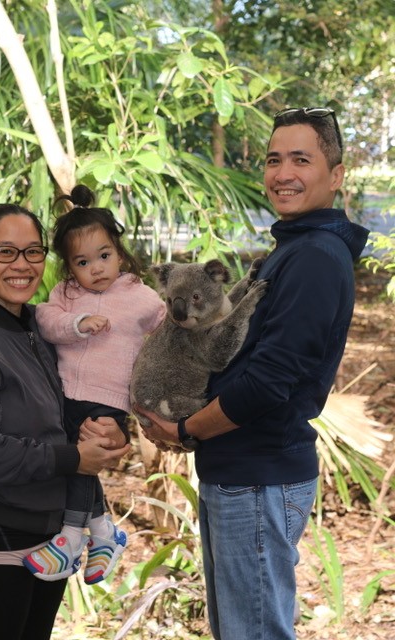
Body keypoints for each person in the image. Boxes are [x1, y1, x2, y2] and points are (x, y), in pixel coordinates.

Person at [136, 107, 369, 640]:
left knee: (253, 632)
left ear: (335, 175)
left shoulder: (313, 258)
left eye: (301, 159)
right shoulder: (291, 249)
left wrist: (186, 430)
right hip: (239, 470)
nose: (283, 172)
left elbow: (270, 380)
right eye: (273, 159)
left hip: (259, 473)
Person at [0, 203, 130, 640]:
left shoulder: (43, 325)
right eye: (5, 251)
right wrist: (73, 458)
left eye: (33, 252)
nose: (21, 265)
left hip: (52, 530)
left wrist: (114, 430)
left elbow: (83, 394)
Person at [22, 185, 166, 583]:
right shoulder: (66, 294)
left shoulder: (142, 297)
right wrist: (77, 324)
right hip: (64, 395)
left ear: (119, 253)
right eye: (84, 262)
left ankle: (69, 540)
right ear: (70, 267)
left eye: (104, 256)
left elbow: (172, 332)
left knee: (82, 467)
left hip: (107, 400)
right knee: (76, 465)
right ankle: (103, 533)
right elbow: (46, 321)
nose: (97, 268)